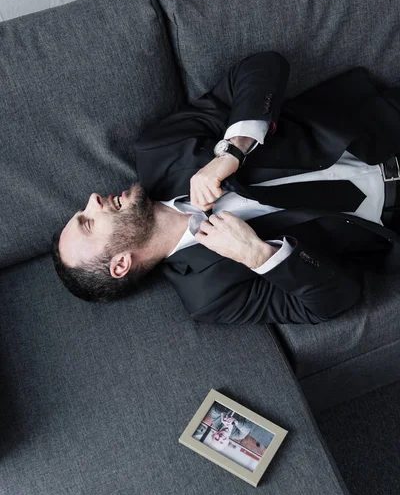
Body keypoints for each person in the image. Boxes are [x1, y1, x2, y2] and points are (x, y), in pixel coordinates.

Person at [51, 51, 400, 323]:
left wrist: (233, 151)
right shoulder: (209, 296)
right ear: (121, 265)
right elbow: (335, 301)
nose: (93, 199)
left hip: (381, 127)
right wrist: (258, 255)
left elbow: (263, 66)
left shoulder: (161, 150)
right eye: (88, 221)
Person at [209, 405, 274, 450]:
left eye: (216, 438)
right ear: (227, 442)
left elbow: (214, 409)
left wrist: (223, 413)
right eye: (221, 442)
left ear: (214, 434)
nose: (220, 438)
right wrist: (236, 422)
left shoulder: (215, 421)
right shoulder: (237, 436)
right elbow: (248, 428)